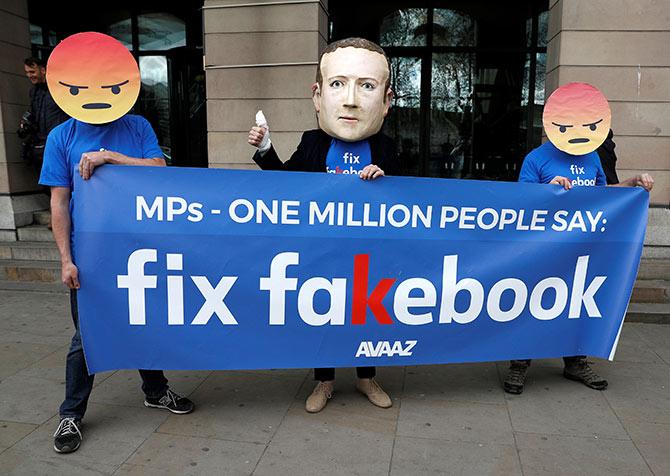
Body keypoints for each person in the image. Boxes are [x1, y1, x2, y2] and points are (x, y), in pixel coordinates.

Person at [39, 32, 194, 455]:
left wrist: (111, 157)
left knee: (146, 322)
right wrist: (66, 260)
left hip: (140, 249)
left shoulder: (137, 126)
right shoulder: (61, 138)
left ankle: (155, 389)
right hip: (90, 257)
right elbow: (59, 202)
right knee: (86, 337)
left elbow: (159, 169)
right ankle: (70, 414)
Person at [248, 37, 398, 413]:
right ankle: (324, 382)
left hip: (369, 255)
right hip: (323, 253)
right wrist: (266, 148)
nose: (350, 100)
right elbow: (287, 186)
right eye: (337, 84)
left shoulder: (389, 147)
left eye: (366, 86)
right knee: (324, 317)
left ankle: (367, 378)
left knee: (367, 316)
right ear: (318, 97)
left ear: (386, 100)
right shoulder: (313, 143)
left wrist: (389, 179)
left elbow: (414, 200)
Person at [503, 82, 654, 395]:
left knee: (577, 303)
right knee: (532, 303)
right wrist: (549, 191)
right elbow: (521, 201)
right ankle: (519, 363)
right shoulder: (537, 158)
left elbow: (602, 196)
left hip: (583, 250)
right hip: (543, 250)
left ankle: (575, 362)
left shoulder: (593, 157)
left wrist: (632, 184)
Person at [17, 57, 67, 173]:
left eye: (32, 72)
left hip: (58, 140)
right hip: (41, 142)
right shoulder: (34, 91)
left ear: (43, 70)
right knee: (45, 179)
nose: (29, 75)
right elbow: (32, 112)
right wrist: (25, 124)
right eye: (27, 72)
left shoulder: (59, 88)